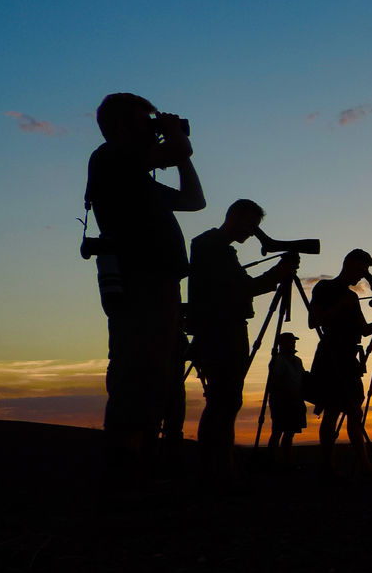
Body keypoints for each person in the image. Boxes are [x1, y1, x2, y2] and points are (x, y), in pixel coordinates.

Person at [85, 92, 205, 482]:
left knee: (158, 373)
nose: (151, 130)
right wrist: (172, 136)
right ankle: (123, 465)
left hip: (161, 283)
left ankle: (142, 460)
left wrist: (178, 150)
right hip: (140, 282)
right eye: (144, 122)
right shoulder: (110, 157)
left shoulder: (136, 177)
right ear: (121, 127)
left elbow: (194, 200)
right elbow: (176, 148)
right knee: (136, 369)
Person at [188, 199, 298, 478]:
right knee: (223, 401)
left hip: (223, 329)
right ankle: (215, 469)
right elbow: (240, 288)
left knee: (226, 400)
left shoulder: (218, 248)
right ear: (234, 215)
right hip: (220, 331)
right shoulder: (210, 245)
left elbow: (238, 287)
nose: (252, 232)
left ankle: (219, 466)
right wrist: (278, 273)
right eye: (251, 225)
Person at [309, 249, 372, 478]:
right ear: (348, 265)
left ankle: (365, 466)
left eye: (364, 271)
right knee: (332, 411)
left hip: (348, 358)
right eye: (359, 270)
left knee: (355, 413)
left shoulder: (353, 296)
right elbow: (313, 321)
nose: (361, 275)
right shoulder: (324, 288)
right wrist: (340, 305)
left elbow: (364, 331)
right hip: (330, 355)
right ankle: (327, 466)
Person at [267, 331, 308, 468]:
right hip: (281, 401)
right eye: (290, 341)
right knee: (278, 431)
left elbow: (303, 377)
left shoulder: (297, 360)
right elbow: (276, 381)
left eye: (293, 341)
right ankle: (271, 460)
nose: (293, 343)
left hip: (295, 401)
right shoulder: (277, 360)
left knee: (290, 433)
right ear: (281, 344)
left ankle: (287, 461)